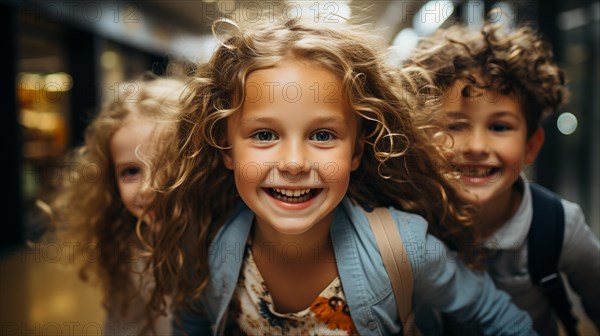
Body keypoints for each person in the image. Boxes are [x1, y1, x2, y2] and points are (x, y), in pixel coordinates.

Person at [145, 18, 535, 335]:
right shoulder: (209, 247)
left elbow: (496, 316)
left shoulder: (402, 247)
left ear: (357, 151)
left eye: (322, 135)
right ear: (227, 149)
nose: (295, 163)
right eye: (264, 135)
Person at [404, 22, 600, 335]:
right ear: (424, 139)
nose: (477, 147)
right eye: (455, 126)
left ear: (531, 146)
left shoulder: (557, 225)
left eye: (500, 127)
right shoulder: (408, 221)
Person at [48, 76, 186, 335]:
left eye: (169, 166)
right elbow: (122, 324)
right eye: (131, 171)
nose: (147, 188)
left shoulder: (230, 244)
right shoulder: (128, 245)